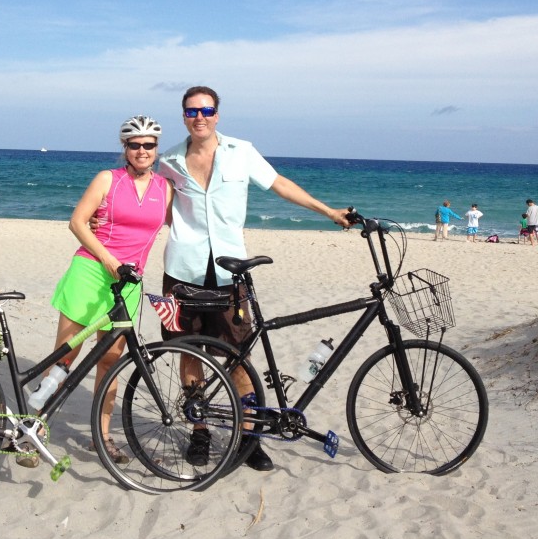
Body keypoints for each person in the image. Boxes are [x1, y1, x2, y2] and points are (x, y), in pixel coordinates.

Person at [156, 86, 351, 472]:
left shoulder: (241, 151)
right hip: (182, 272)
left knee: (237, 357)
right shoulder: (169, 161)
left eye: (207, 110)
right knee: (189, 353)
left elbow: (279, 184)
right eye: (192, 111)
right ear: (183, 116)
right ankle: (200, 431)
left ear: (217, 114)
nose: (200, 116)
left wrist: (326, 210)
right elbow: (153, 207)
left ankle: (248, 437)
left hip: (231, 273)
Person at [29, 115, 172, 468]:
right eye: (134, 144)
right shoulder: (108, 179)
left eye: (148, 145)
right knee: (65, 355)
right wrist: (107, 258)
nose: (141, 150)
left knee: (110, 362)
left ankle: (102, 435)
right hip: (92, 272)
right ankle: (34, 430)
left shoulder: (165, 188)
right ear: (124, 148)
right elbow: (78, 221)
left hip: (129, 284)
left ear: (156, 149)